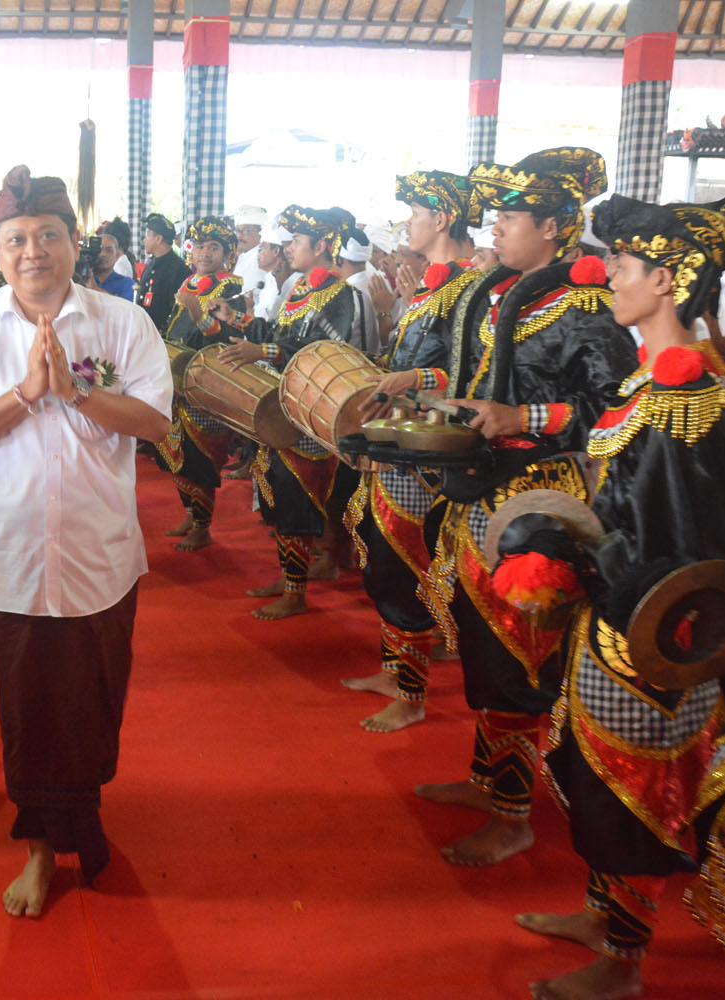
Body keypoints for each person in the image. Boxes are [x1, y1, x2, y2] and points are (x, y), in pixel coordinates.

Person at [487, 193, 725, 1000]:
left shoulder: (690, 397)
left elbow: (682, 543)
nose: (610, 278)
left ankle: (623, 962)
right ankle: (601, 915)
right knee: (593, 782)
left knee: (634, 797)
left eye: (623, 267)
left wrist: (582, 558)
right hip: (612, 609)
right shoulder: (649, 382)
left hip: (650, 634)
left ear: (665, 280)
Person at [0, 164, 171, 918]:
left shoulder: (124, 323)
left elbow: (157, 425)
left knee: (96, 700)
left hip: (100, 554)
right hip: (18, 553)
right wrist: (25, 394)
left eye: (48, 236)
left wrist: (76, 393)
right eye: (15, 240)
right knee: (29, 710)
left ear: (76, 243)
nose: (33, 251)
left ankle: (84, 810)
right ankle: (40, 848)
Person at [411, 148, 637, 867]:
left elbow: (611, 411)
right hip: (481, 490)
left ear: (555, 226)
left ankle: (514, 816)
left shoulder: (590, 307)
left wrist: (524, 417)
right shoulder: (500, 291)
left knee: (518, 660)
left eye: (509, 217)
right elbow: (477, 375)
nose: (495, 227)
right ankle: (490, 779)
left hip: (537, 504)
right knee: (485, 649)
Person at [344, 170, 484, 733]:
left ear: (442, 219)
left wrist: (412, 377)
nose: (407, 223)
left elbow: (473, 370)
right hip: (400, 440)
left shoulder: (474, 288)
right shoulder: (430, 288)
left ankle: (412, 693)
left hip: (429, 454)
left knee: (404, 565)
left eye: (415, 213)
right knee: (383, 557)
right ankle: (393, 668)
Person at [221, 205, 364, 619]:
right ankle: (291, 577)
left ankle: (297, 591)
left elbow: (324, 352)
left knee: (298, 495)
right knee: (284, 492)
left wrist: (263, 350)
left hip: (315, 411)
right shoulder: (303, 288)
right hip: (294, 404)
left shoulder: (340, 294)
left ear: (321, 246)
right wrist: (240, 321)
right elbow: (285, 338)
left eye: (297, 241)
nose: (289, 247)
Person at [153, 217, 250, 552]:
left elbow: (230, 338)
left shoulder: (233, 287)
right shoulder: (189, 281)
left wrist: (199, 315)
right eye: (200, 246)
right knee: (174, 453)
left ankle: (202, 525)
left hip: (208, 381)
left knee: (201, 457)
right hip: (177, 379)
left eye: (214, 247)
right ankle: (191, 512)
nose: (205, 253)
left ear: (227, 252)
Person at [135, 213, 191, 333]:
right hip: (144, 329)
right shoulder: (151, 262)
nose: (144, 240)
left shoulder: (179, 269)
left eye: (147, 236)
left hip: (163, 336)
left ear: (158, 239)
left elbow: (177, 309)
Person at [86, 219, 135, 300]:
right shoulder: (84, 279)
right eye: (99, 250)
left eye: (109, 250)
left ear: (117, 255)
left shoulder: (126, 283)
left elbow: (126, 307)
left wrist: (95, 288)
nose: (103, 254)